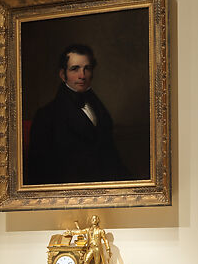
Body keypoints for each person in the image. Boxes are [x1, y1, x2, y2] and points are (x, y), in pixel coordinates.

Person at [26, 44, 131, 185]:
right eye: (75, 69)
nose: (82, 76)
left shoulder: (99, 108)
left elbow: (111, 156)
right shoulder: (46, 115)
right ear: (63, 75)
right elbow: (41, 171)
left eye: (87, 69)